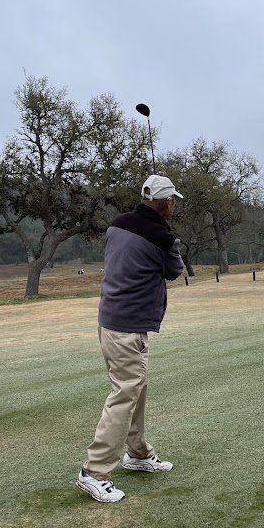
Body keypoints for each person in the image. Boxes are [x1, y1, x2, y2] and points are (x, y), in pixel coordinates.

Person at [77, 174, 185, 503]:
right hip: (127, 326)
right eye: (173, 201)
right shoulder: (163, 239)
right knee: (124, 395)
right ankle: (94, 471)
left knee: (136, 387)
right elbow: (174, 271)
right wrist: (169, 240)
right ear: (166, 202)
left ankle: (137, 453)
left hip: (111, 320)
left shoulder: (117, 225)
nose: (174, 205)